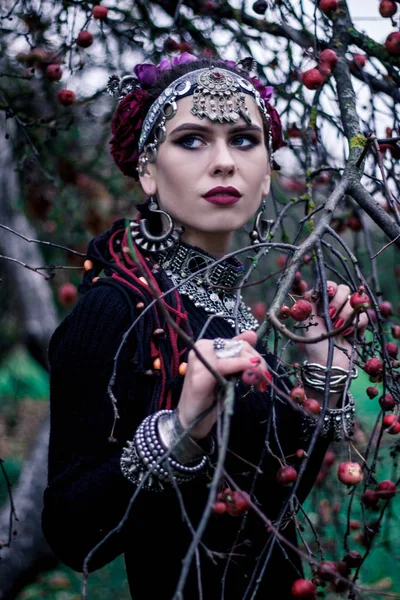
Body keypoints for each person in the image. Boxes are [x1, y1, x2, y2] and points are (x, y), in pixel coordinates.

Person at [42, 54, 367, 599]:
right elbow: (73, 536)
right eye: (192, 139)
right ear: (147, 169)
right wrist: (181, 429)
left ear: (267, 175)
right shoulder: (116, 312)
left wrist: (324, 375)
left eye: (244, 139)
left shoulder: (239, 312)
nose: (224, 163)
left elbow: (269, 504)